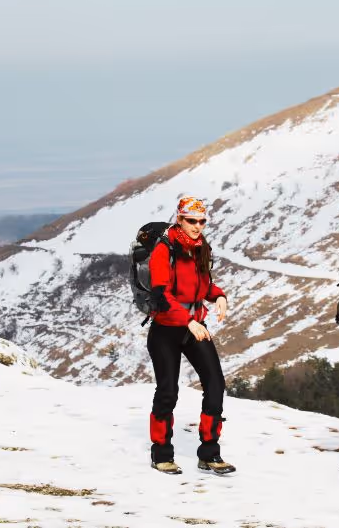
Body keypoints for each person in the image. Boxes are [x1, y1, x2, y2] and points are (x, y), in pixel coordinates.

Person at [147, 197, 235, 475]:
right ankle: (161, 454)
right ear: (179, 219)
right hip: (166, 330)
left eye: (202, 221)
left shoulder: (199, 248)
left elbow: (203, 285)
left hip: (194, 327)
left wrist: (218, 295)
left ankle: (209, 453)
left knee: (215, 384)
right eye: (191, 221)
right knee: (168, 392)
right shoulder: (165, 249)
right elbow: (162, 295)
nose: (198, 226)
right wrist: (187, 320)